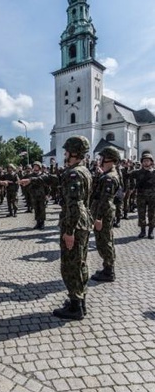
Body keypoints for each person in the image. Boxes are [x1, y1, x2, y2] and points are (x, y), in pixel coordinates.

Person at [52, 136, 92, 320]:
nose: (65, 154)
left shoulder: (73, 174)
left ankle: (76, 307)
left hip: (75, 224)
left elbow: (74, 205)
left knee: (71, 265)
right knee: (80, 262)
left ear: (74, 153)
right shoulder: (84, 170)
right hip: (83, 222)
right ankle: (79, 300)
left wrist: (69, 232)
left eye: (67, 151)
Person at [90, 147, 121, 282]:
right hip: (102, 213)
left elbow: (105, 201)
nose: (100, 160)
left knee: (105, 242)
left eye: (102, 158)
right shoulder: (107, 174)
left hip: (104, 214)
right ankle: (107, 268)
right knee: (104, 240)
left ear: (108, 159)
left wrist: (99, 218)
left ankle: (109, 271)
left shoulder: (109, 178)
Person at [129, 153, 155, 239]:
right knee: (141, 214)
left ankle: (150, 232)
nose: (146, 162)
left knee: (152, 214)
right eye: (144, 161)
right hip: (141, 196)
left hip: (152, 197)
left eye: (148, 161)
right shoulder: (137, 172)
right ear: (142, 162)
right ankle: (142, 231)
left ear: (151, 162)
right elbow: (127, 175)